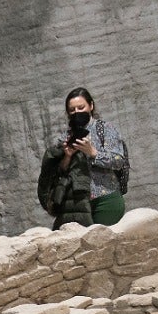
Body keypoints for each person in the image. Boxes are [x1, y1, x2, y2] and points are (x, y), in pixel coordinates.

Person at [37, 87, 130, 227]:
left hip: (106, 200)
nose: (77, 113)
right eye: (72, 110)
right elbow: (57, 174)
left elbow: (118, 161)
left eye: (81, 107)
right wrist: (67, 157)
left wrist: (92, 152)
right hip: (76, 204)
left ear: (91, 106)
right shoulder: (65, 137)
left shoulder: (105, 129)